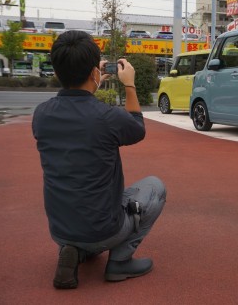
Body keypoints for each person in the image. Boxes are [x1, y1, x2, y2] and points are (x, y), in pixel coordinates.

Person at [32, 30, 166, 289]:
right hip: (103, 230)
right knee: (156, 186)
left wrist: (91, 85)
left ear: (58, 71)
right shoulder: (106, 117)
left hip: (59, 230)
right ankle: (120, 261)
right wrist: (129, 84)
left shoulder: (41, 114)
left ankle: (75, 251)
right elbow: (137, 128)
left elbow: (78, 115)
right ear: (94, 72)